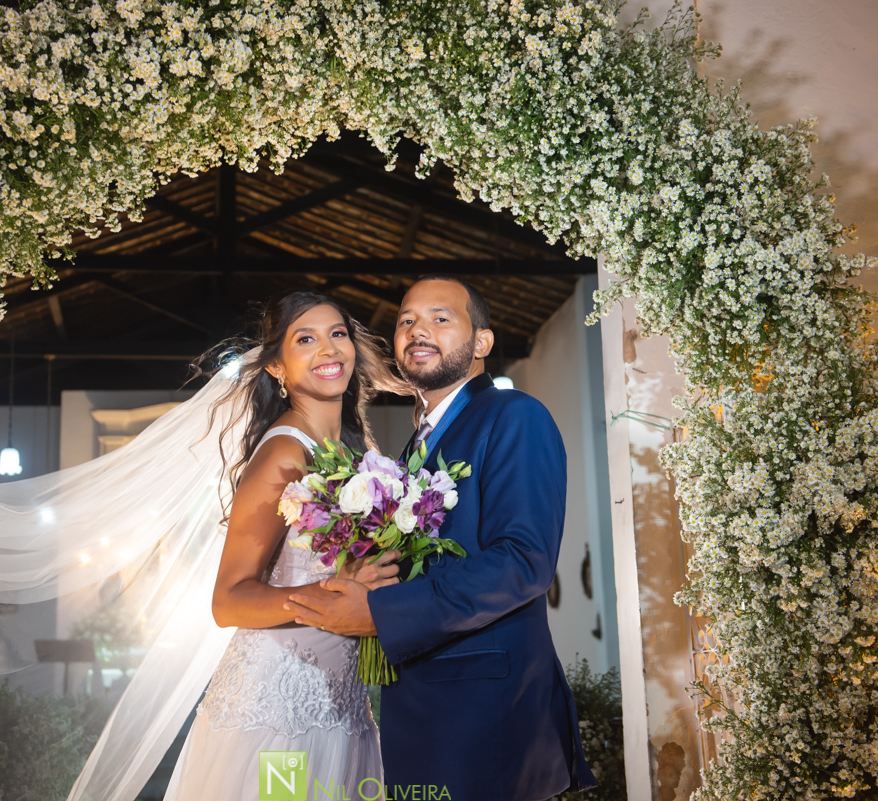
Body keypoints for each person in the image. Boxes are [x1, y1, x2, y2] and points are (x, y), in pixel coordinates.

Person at [286, 276, 597, 800]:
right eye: (407, 320)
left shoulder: (514, 415)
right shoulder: (418, 442)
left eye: (440, 318)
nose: (417, 330)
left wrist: (381, 613)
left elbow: (523, 561)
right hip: (422, 706)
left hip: (484, 714)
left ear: (482, 342)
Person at [163, 291, 406, 799]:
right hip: (278, 708)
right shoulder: (284, 453)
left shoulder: (355, 452)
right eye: (306, 339)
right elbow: (228, 600)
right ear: (276, 365)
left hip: (345, 706)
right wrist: (330, 592)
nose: (329, 349)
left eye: (338, 334)